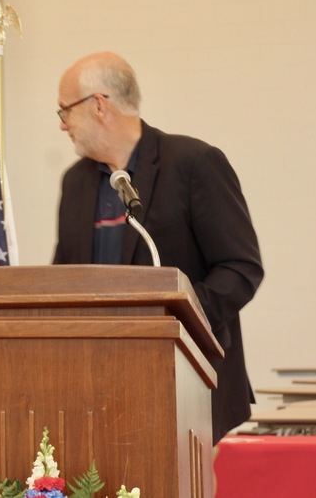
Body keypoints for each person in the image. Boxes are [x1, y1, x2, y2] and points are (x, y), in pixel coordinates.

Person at [52, 51, 263, 443]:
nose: (63, 125)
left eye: (65, 111)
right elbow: (63, 278)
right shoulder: (76, 183)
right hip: (93, 387)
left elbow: (240, 268)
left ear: (99, 105)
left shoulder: (193, 164)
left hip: (190, 384)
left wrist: (170, 319)